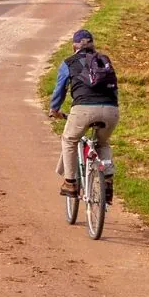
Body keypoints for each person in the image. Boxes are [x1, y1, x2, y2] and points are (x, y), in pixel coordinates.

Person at [48, 29, 118, 198]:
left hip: (83, 109)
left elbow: (60, 90)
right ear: (93, 46)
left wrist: (54, 109)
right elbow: (114, 88)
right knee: (103, 143)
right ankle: (108, 182)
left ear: (74, 47)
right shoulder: (104, 60)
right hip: (111, 110)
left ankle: (70, 183)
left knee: (69, 140)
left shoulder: (69, 63)